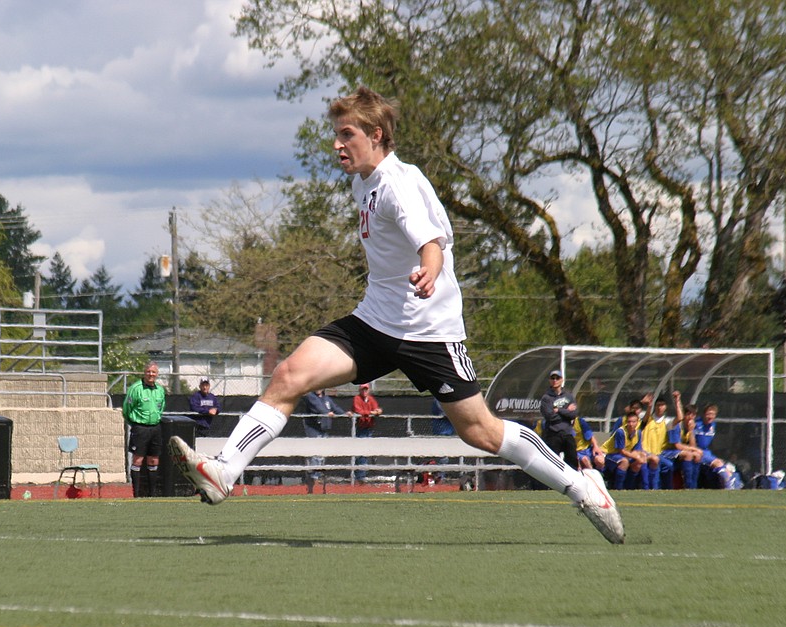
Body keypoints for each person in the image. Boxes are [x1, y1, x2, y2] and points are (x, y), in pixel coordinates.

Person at [167, 85, 623, 543]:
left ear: (377, 134)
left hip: (428, 330)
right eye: (336, 135)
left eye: (346, 134)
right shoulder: (361, 183)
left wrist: (429, 270)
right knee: (288, 375)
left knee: (481, 432)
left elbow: (431, 244)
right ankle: (225, 470)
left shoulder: (396, 185)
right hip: (375, 321)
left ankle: (583, 487)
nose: (336, 144)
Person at [122, 361, 166, 497]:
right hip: (140, 428)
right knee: (138, 460)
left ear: (157, 374)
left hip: (155, 428)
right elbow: (126, 410)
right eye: (148, 372)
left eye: (153, 372)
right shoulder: (135, 389)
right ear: (144, 373)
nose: (151, 374)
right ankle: (136, 494)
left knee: (154, 460)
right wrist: (135, 424)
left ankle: (152, 494)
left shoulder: (160, 390)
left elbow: (161, 407)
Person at [301, 388, 344, 491]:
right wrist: (327, 413)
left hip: (323, 429)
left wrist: (345, 413)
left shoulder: (326, 399)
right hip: (313, 429)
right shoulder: (310, 396)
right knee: (316, 454)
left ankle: (316, 477)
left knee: (322, 455)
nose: (318, 388)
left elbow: (335, 408)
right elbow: (318, 408)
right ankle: (313, 478)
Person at [539, 370, 579, 469]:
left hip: (567, 432)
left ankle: (572, 481)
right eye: (552, 378)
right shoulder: (546, 398)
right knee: (553, 463)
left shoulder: (569, 396)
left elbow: (573, 414)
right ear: (549, 381)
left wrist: (559, 410)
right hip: (553, 433)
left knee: (572, 459)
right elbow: (550, 417)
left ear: (562, 380)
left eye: (557, 378)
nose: (555, 380)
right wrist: (566, 410)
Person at [638, 392, 677, 490]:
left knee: (669, 465)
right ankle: (653, 488)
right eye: (658, 405)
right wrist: (647, 404)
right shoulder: (647, 418)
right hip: (645, 452)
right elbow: (634, 412)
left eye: (662, 405)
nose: (660, 407)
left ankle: (667, 488)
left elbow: (680, 418)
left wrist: (677, 401)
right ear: (655, 407)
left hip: (660, 453)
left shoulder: (667, 421)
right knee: (656, 462)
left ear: (666, 407)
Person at [603, 410, 648, 490]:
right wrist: (636, 457)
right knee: (624, 461)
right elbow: (621, 451)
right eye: (629, 422)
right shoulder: (621, 432)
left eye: (633, 422)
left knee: (640, 460)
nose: (631, 424)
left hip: (625, 454)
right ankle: (618, 488)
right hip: (611, 455)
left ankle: (630, 487)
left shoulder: (638, 433)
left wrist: (638, 456)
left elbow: (637, 450)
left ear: (637, 422)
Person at [349, 383, 382, 482]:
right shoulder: (357, 398)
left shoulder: (370, 399)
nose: (364, 391)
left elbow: (377, 409)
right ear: (360, 390)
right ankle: (360, 476)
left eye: (366, 389)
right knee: (360, 452)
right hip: (360, 428)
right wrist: (371, 413)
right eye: (363, 389)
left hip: (368, 428)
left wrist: (376, 411)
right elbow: (358, 411)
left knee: (366, 452)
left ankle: (361, 475)